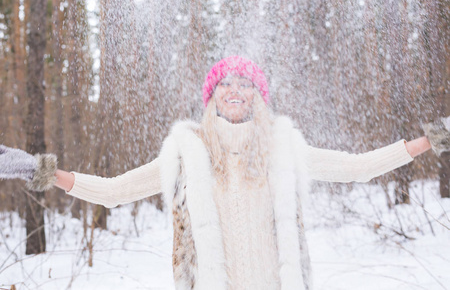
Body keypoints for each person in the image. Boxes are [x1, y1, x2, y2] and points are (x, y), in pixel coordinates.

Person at [0, 56, 449, 290]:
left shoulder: (282, 148)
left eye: (245, 83)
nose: (235, 89)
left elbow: (358, 168)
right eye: (225, 83)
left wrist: (431, 140)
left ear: (258, 96)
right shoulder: (185, 153)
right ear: (211, 96)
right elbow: (115, 192)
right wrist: (43, 171)